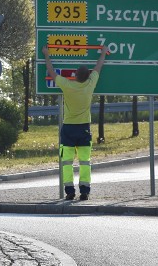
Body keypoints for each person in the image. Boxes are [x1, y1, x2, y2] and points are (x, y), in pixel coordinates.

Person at [42, 44, 109, 201]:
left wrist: (46, 54)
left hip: (68, 129)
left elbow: (51, 72)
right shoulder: (90, 84)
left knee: (67, 162)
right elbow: (98, 67)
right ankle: (84, 191)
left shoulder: (67, 85)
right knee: (85, 162)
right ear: (88, 76)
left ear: (75, 75)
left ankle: (69, 191)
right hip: (84, 128)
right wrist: (104, 53)